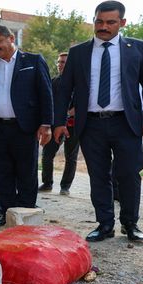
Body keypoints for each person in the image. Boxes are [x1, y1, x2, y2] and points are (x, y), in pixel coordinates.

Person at [54, 0, 143, 242]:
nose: (104, 26)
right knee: (98, 175)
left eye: (111, 22)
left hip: (126, 123)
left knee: (129, 174)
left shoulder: (138, 48)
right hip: (91, 124)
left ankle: (130, 224)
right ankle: (104, 225)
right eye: (99, 21)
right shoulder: (78, 52)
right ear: (94, 21)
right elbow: (64, 90)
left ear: (122, 23)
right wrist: (59, 121)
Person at [0, 25, 53, 226]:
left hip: (25, 127)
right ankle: (7, 213)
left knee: (26, 171)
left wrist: (46, 124)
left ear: (11, 38)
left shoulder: (33, 61)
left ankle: (26, 214)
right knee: (3, 173)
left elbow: (46, 94)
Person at [39, 52, 80, 195]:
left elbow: (82, 104)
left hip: (73, 125)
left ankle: (65, 186)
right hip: (54, 124)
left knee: (71, 157)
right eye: (59, 62)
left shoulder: (80, 82)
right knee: (47, 154)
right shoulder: (53, 81)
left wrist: (68, 113)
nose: (60, 65)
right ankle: (47, 183)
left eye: (63, 62)